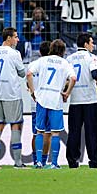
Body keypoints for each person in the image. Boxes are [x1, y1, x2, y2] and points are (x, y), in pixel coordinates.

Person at [27, 39, 77, 169]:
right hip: (56, 98)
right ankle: (54, 163)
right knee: (55, 132)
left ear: (51, 49)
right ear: (63, 51)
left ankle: (38, 162)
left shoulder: (42, 60)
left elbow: (29, 73)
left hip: (42, 97)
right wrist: (67, 92)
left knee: (39, 131)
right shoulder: (64, 63)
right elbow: (73, 78)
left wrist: (33, 92)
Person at [0, 27, 26, 169]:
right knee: (15, 125)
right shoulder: (14, 53)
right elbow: (22, 73)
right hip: (12, 94)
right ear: (9, 38)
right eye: (15, 37)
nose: (17, 39)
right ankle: (17, 163)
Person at [66, 33, 97, 169]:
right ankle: (93, 161)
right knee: (91, 132)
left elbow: (68, 78)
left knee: (74, 132)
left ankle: (72, 161)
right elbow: (94, 75)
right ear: (86, 44)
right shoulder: (91, 57)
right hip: (90, 100)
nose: (93, 45)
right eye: (91, 42)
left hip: (75, 100)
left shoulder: (69, 58)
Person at [28, 41, 52, 166]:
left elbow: (28, 78)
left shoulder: (32, 64)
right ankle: (43, 160)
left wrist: (32, 92)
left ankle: (35, 160)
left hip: (35, 103)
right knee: (47, 133)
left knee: (36, 132)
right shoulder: (50, 65)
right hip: (48, 102)